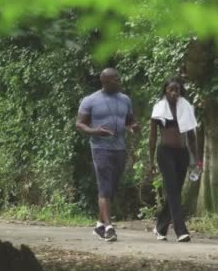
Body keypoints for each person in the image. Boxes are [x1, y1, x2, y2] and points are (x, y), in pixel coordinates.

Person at [76, 68, 139, 242]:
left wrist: (133, 127)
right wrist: (95, 131)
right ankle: (109, 228)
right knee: (104, 186)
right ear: (105, 81)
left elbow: (129, 120)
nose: (120, 82)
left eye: (119, 79)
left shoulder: (125, 99)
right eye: (116, 80)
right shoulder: (91, 100)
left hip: (119, 148)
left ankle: (99, 225)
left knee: (111, 188)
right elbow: (80, 124)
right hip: (100, 148)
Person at [149, 77, 200, 242]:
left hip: (182, 153)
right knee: (171, 189)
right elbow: (152, 136)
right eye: (170, 89)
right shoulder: (159, 109)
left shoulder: (186, 108)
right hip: (165, 153)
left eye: (176, 90)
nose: (173, 93)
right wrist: (150, 161)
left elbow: (191, 137)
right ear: (165, 90)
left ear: (180, 91)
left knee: (175, 191)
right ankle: (180, 230)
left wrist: (197, 160)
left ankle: (160, 227)